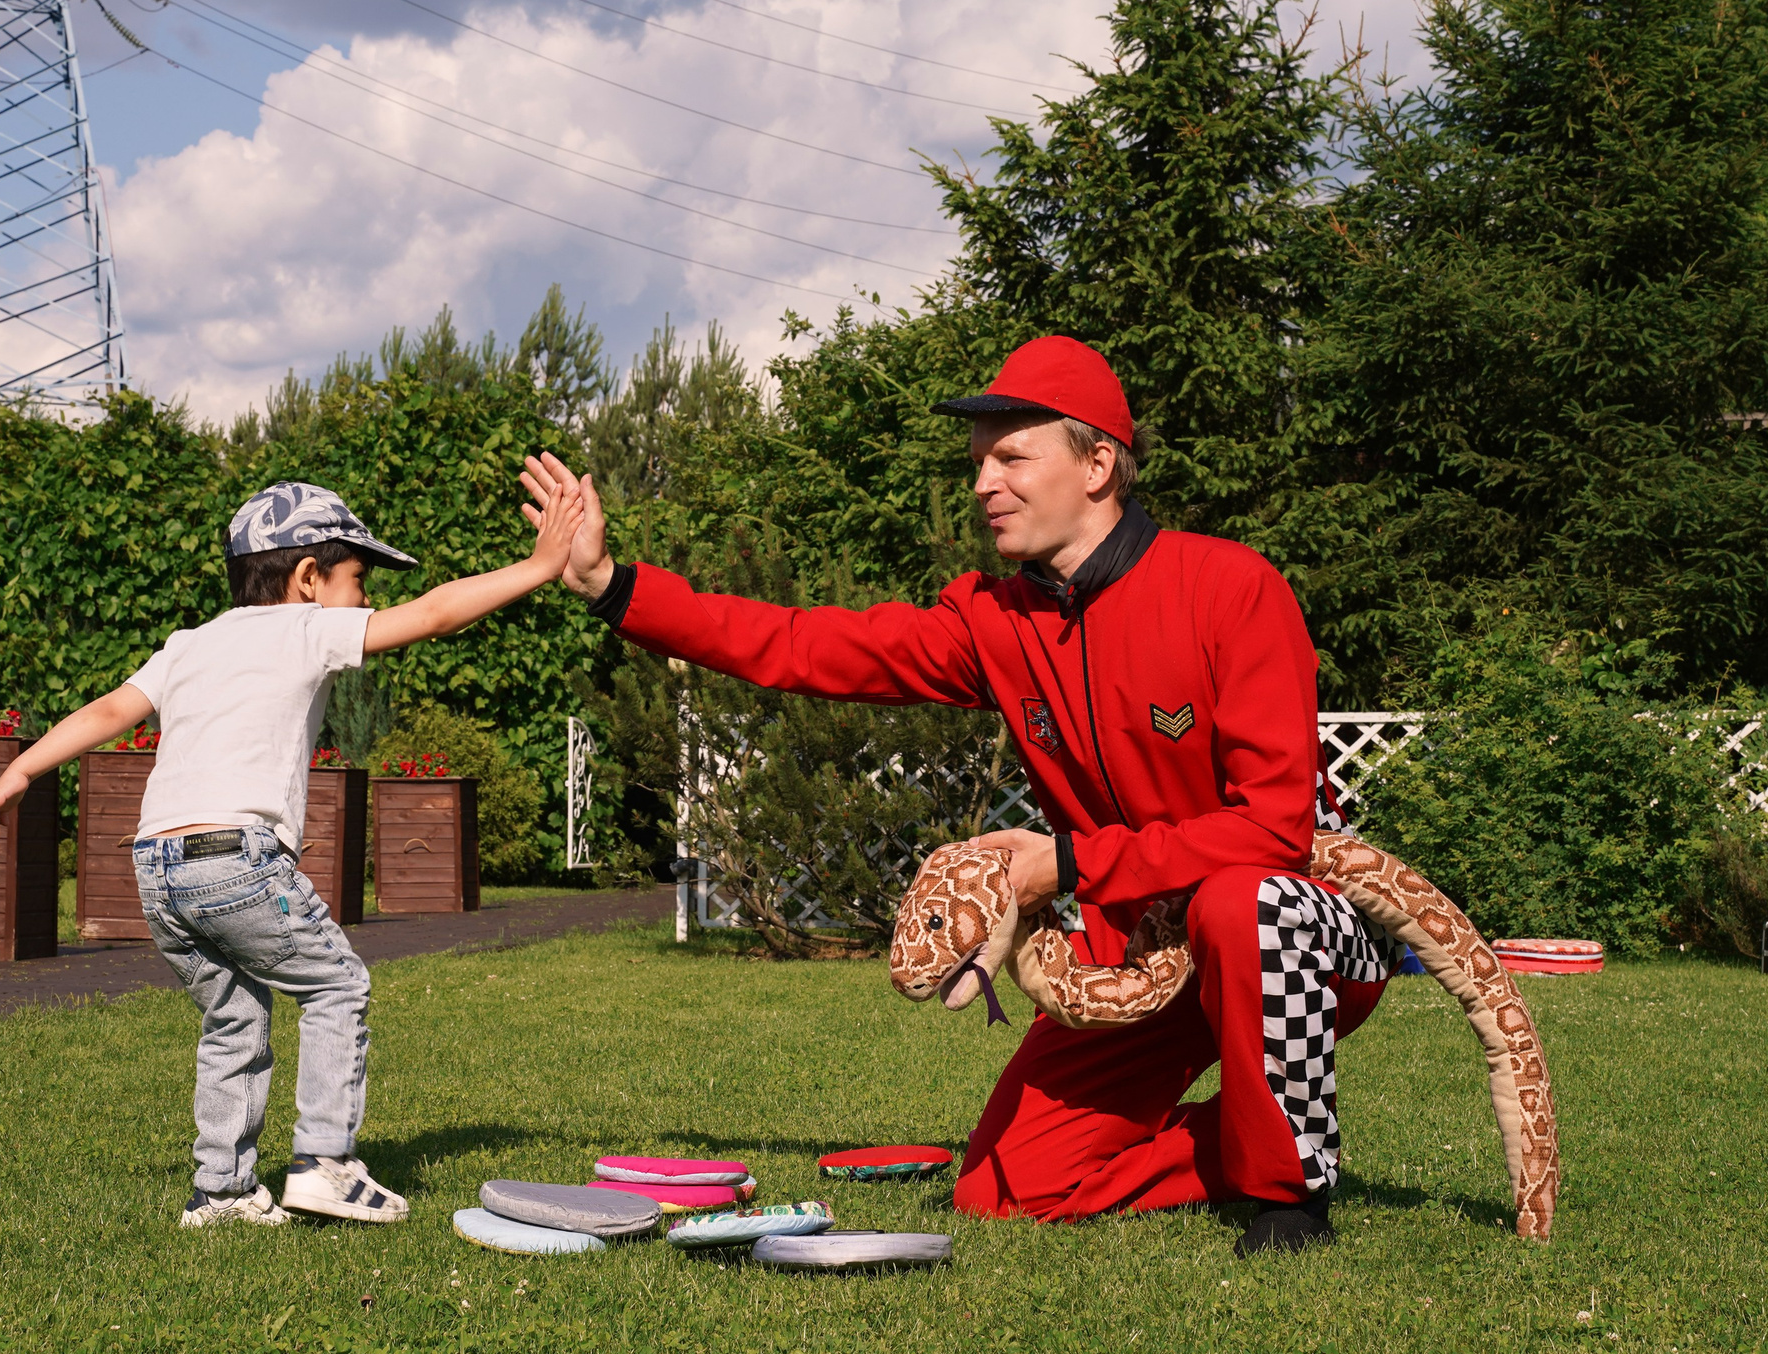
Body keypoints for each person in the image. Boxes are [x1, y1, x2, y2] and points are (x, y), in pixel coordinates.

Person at [540, 337, 1388, 1256]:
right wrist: (612, 587)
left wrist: (1065, 862)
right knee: (1001, 1189)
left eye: (1012, 456)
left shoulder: (1231, 587)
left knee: (1238, 901)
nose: (984, 482)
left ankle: (1288, 1189)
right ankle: (1242, 1140)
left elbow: (1272, 830)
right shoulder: (992, 618)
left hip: (1303, 932)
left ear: (1099, 463)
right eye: (978, 461)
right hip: (1137, 948)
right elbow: (805, 644)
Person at [0, 467, 588, 1229]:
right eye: (358, 579)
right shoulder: (306, 627)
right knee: (337, 986)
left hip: (157, 867)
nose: (364, 599)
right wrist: (538, 567)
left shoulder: (188, 644)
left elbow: (108, 709)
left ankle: (221, 1192)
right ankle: (326, 1162)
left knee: (233, 1016)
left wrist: (21, 769)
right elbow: (431, 616)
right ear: (306, 578)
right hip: (235, 855)